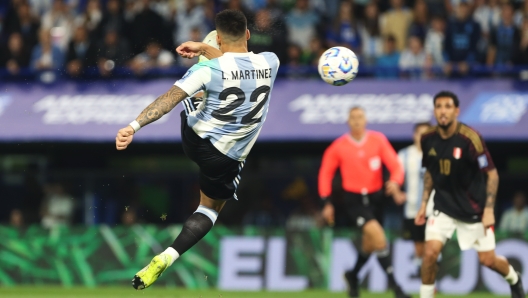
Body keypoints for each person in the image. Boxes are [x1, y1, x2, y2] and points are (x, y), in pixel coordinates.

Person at [115, 9, 280, 290]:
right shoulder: (271, 62)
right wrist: (205, 48)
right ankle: (170, 255)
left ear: (218, 37)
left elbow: (168, 100)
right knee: (210, 210)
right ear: (249, 34)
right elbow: (239, 64)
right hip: (228, 158)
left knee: (194, 95)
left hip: (195, 139)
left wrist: (133, 126)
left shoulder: (206, 68)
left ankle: (165, 256)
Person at [415, 91, 525, 298]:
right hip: (442, 207)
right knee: (429, 254)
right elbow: (430, 172)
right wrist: (424, 203)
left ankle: (514, 278)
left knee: (488, 260)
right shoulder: (427, 138)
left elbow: (492, 174)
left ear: (456, 111)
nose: (443, 111)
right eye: (438, 106)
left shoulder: (470, 139)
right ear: (434, 111)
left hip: (473, 209)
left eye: (447, 106)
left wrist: (489, 211)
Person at [318, 107, 409, 298]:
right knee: (379, 237)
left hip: (376, 199)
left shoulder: (378, 141)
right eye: (353, 118)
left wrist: (395, 181)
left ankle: (352, 276)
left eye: (360, 117)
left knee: (370, 244)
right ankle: (397, 289)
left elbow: (395, 166)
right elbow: (325, 174)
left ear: (366, 120)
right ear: (348, 122)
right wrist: (327, 202)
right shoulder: (338, 147)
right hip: (354, 201)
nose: (357, 121)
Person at [397, 122, 434, 274]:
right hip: (412, 209)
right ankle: (424, 277)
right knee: (419, 248)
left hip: (434, 209)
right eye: (420, 133)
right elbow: (395, 178)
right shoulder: (404, 155)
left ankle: (431, 279)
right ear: (414, 135)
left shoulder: (437, 154)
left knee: (432, 248)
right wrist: (396, 193)